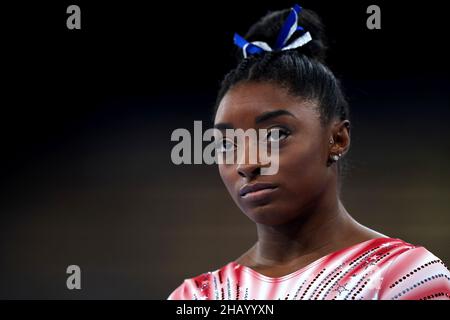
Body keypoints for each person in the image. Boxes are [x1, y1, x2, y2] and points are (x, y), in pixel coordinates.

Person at [167, 4, 450, 300]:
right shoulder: (198, 296)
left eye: (276, 135)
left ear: (337, 138)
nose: (247, 163)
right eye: (228, 144)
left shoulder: (403, 275)